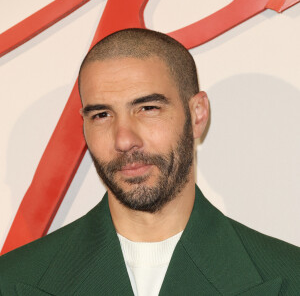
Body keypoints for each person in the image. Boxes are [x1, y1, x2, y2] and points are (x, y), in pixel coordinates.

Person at [0, 28, 299, 296]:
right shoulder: (13, 279)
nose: (124, 139)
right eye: (101, 115)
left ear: (197, 114)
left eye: (148, 108)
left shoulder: (289, 276)